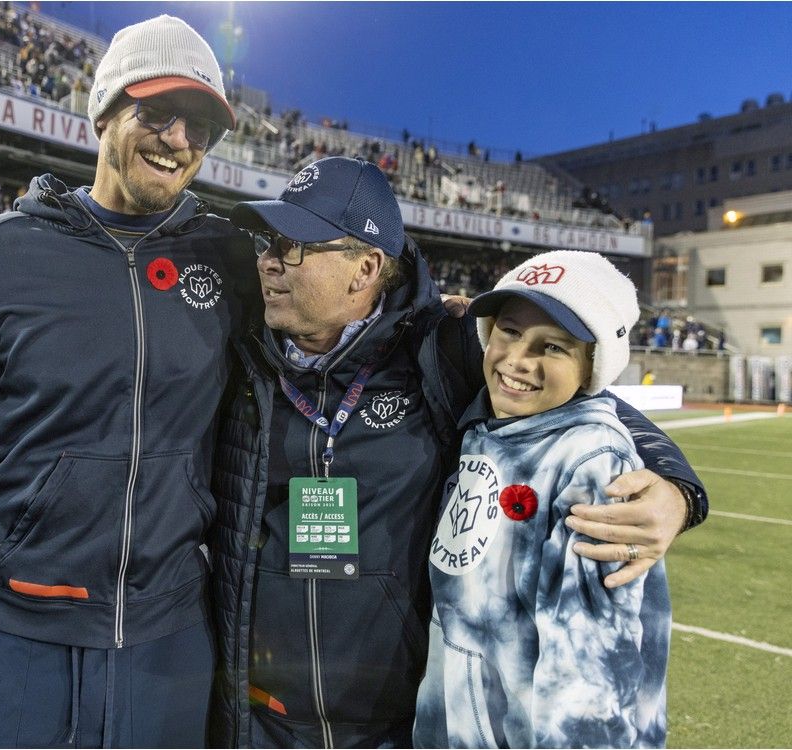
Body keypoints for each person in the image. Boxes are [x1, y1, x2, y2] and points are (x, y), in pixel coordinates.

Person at [0, 15, 258, 748]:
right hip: (16, 644)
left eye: (200, 126)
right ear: (102, 111)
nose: (178, 141)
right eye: (157, 113)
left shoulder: (230, 263)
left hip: (170, 644)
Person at [209, 158, 705, 748]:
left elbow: (589, 402)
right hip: (259, 717)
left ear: (364, 268)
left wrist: (676, 489)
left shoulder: (440, 351)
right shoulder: (240, 352)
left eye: (295, 248)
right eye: (270, 242)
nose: (268, 261)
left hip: (398, 724)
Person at [414, 251, 670, 748]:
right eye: (508, 332)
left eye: (552, 347)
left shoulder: (593, 463)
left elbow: (590, 669)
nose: (517, 360)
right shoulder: (490, 428)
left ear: (593, 366)